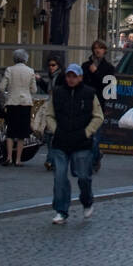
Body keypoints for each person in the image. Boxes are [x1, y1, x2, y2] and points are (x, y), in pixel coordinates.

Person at [44, 62, 103, 224]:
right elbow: (49, 115)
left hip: (81, 142)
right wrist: (55, 130)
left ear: (80, 77)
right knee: (60, 177)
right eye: (69, 76)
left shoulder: (89, 93)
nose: (71, 79)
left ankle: (87, 201)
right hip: (61, 141)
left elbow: (98, 116)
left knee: (83, 176)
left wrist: (87, 132)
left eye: (74, 76)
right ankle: (61, 210)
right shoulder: (57, 93)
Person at [82, 40, 116, 172]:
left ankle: (94, 159)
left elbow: (109, 89)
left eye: (100, 48)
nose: (98, 51)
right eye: (95, 48)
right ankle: (95, 156)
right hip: (86, 103)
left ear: (105, 51)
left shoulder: (108, 68)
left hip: (99, 104)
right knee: (87, 134)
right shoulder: (85, 66)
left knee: (96, 135)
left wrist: (96, 73)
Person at [0, 49, 37, 167]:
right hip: (25, 103)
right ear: (26, 59)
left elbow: (1, 87)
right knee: (22, 133)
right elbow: (34, 90)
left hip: (12, 102)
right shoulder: (30, 71)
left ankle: (9, 157)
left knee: (10, 131)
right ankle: (18, 159)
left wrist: (7, 95)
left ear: (14, 58)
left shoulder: (9, 70)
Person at [40, 56, 64, 170]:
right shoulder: (52, 77)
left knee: (53, 135)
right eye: (49, 65)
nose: (51, 67)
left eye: (53, 65)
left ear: (58, 65)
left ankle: (50, 160)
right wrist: (40, 81)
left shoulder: (61, 77)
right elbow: (48, 90)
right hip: (51, 107)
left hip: (58, 108)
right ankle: (52, 160)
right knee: (49, 135)